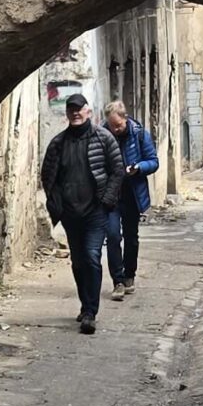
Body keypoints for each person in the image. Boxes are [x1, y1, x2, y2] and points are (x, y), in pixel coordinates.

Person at [41, 93, 124, 334]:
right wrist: (56, 203)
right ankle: (85, 302)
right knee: (78, 262)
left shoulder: (104, 138)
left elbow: (117, 171)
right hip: (70, 213)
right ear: (67, 114)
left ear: (88, 111)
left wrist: (107, 201)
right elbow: (48, 176)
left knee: (91, 256)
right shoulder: (58, 143)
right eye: (71, 110)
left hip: (95, 211)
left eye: (79, 109)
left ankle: (90, 311)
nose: (75, 113)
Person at [103, 99, 159, 299]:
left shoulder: (139, 134)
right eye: (112, 126)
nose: (115, 130)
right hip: (111, 195)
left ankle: (129, 276)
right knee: (112, 236)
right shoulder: (101, 135)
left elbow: (153, 162)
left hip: (132, 195)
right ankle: (117, 281)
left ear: (125, 119)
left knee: (131, 238)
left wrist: (138, 168)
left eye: (118, 125)